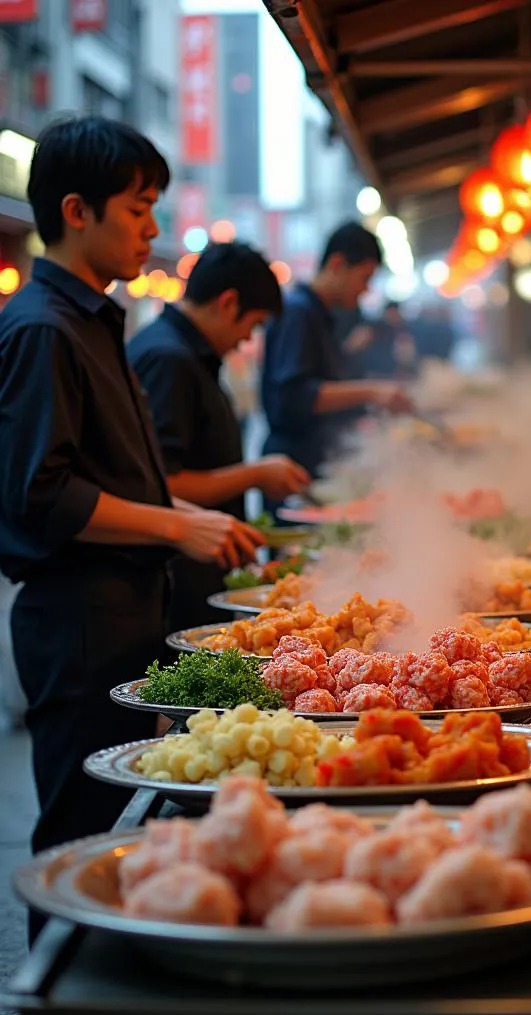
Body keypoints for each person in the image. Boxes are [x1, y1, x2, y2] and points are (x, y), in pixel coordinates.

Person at [0, 117, 262, 911]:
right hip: (80, 621)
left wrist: (181, 512)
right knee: (80, 834)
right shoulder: (44, 328)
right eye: (138, 207)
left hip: (120, 613)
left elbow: (118, 475)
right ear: (76, 211)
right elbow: (42, 498)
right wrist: (178, 524)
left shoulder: (94, 319)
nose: (152, 227)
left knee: (118, 821)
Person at [128, 242, 311, 630]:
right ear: (228, 303)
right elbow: (163, 485)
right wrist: (257, 473)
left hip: (196, 571)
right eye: (253, 324)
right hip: (175, 583)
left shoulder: (184, 351)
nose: (247, 339)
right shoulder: (169, 359)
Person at [260, 222, 413, 486]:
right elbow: (294, 396)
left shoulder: (320, 313)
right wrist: (374, 391)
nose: (366, 289)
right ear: (337, 264)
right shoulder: (298, 312)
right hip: (292, 467)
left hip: (315, 459)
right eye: (364, 278)